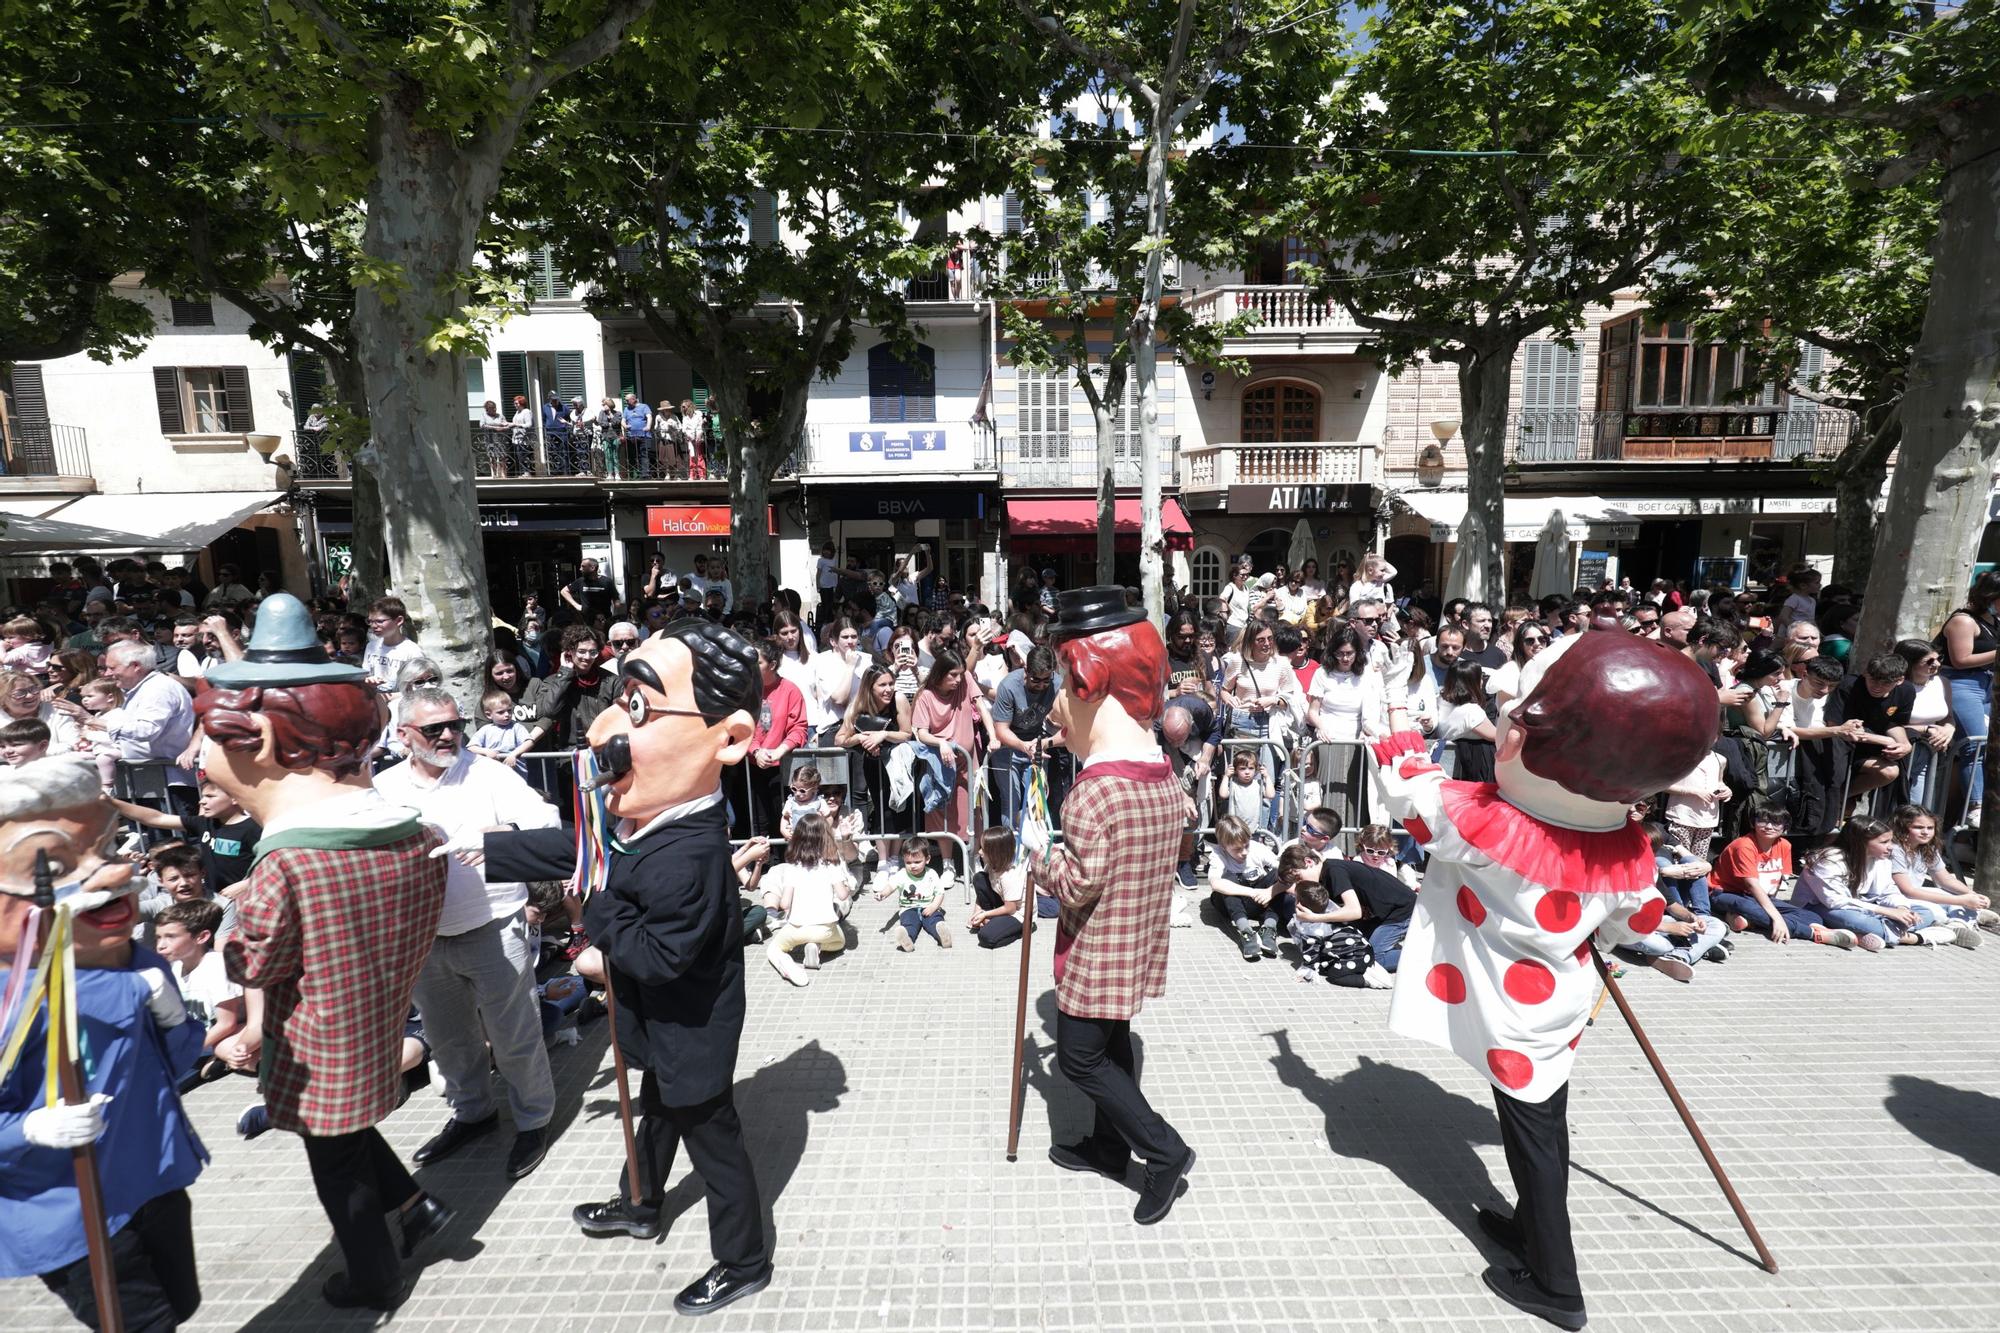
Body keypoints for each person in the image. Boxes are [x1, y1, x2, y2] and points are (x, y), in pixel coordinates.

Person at [1366, 629, 1719, 1330]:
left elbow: (1408, 787)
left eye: (1519, 707)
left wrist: (1399, 721)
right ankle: (1529, 1227)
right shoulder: (1625, 845)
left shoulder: (1478, 823)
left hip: (1512, 1018)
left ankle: (1558, 1285)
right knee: (1543, 1127)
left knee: (1536, 1142)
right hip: (1559, 1004)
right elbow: (1632, 919)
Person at [482, 619, 774, 1316]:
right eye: (616, 699)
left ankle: (744, 1258)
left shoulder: (690, 857)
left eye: (637, 707)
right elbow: (592, 851)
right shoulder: (657, 822)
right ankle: (641, 1202)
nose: (603, 729)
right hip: (658, 1021)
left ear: (727, 738)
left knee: (715, 1140)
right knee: (657, 1111)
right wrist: (483, 852)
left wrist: (594, 915)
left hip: (693, 1025)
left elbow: (656, 950)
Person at [196, 595, 453, 1313]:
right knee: (348, 1131)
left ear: (266, 743)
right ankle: (418, 1206)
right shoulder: (412, 829)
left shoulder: (288, 861)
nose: (200, 760)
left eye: (207, 741)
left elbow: (256, 962)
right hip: (379, 1011)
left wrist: (236, 915)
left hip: (315, 1036)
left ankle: (374, 1275)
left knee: (333, 1161)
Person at [0, 758, 209, 1332]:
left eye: (108, 850)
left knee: (180, 1303)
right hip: (68, 1206)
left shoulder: (133, 959)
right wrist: (30, 1129)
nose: (113, 875)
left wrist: (174, 1023)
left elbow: (172, 1066)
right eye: (55, 866)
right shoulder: (6, 997)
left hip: (150, 1175)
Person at [1022, 586, 1196, 1225]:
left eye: (1065, 690)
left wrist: (1038, 858)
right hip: (1138, 938)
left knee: (1079, 1057)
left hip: (1097, 950)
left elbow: (1075, 883)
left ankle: (1163, 1149)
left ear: (1092, 683)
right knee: (1115, 1044)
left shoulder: (1093, 794)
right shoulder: (1161, 774)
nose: (1057, 709)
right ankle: (1106, 1143)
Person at [376, 688, 564, 1181]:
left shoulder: (488, 774)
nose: (447, 736)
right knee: (448, 1038)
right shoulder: (383, 786)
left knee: (514, 1035)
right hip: (422, 936)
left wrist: (505, 830)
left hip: (495, 926)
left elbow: (547, 819)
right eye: (433, 728)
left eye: (454, 725)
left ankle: (533, 1121)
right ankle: (473, 1113)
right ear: (402, 735)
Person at [153, 898, 247, 1080]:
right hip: (199, 1044)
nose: (161, 945)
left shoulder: (216, 966)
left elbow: (227, 1024)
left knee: (229, 1047)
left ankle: (225, 1059)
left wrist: (186, 1052)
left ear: (201, 937)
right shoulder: (174, 969)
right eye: (158, 937)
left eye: (170, 937)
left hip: (229, 1035)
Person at [760, 812, 853, 984]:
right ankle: (817, 946)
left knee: (774, 949)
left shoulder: (793, 867)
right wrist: (846, 885)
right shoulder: (831, 864)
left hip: (796, 928)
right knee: (839, 943)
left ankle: (788, 966)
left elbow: (784, 903)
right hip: (825, 928)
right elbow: (842, 895)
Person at [1935, 570, 1998, 821]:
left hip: (1987, 686)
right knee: (1975, 744)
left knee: (1989, 746)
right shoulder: (1963, 621)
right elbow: (1961, 660)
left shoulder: (1994, 621)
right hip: (1962, 685)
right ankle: (1976, 805)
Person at [912, 648, 990, 851]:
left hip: (967, 761)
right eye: (952, 675)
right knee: (941, 810)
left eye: (959, 674)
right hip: (940, 763)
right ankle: (947, 862)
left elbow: (981, 706)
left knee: (974, 808)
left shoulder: (964, 680)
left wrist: (994, 735)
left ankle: (975, 856)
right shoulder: (925, 696)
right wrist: (942, 743)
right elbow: (921, 733)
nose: (957, 679)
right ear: (940, 673)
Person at [1319, 824, 1417, 978]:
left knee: (1374, 956)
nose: (1375, 856)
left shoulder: (1392, 864)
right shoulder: (1356, 863)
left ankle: (1420, 955)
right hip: (1368, 912)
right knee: (1362, 945)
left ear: (1389, 850)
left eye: (1381, 852)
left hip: (1394, 911)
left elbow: (1409, 883)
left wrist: (1415, 885)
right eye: (1370, 851)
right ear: (1362, 846)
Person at [1887, 803, 1998, 933]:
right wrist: (1960, 900)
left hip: (1916, 892)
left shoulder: (1928, 848)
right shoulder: (1895, 850)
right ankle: (1957, 925)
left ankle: (1961, 922)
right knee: (1938, 912)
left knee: (1955, 897)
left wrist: (1972, 895)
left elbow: (1945, 879)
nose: (1925, 832)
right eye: (1918, 827)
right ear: (1902, 828)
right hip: (1896, 897)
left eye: (1930, 828)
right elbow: (1908, 891)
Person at [1207, 812, 1283, 961]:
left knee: (1277, 874)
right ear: (1223, 846)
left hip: (1260, 902)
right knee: (1226, 879)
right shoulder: (1218, 854)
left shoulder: (1258, 849)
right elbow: (1215, 883)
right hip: (1233, 905)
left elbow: (1284, 872)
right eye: (1237, 849)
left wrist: (1269, 891)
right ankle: (1246, 932)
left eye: (1246, 845)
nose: (1244, 852)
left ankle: (1269, 928)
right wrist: (1253, 892)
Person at [968, 826, 1052, 948]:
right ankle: (991, 920)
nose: (980, 852)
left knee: (985, 937)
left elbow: (1011, 908)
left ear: (994, 854)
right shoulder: (992, 864)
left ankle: (1023, 930)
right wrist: (977, 912)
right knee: (979, 878)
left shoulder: (1010, 875)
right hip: (1004, 901)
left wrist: (986, 915)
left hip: (1018, 914)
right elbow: (982, 889)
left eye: (983, 849)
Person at [874, 835, 950, 949]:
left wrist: (933, 907)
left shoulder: (932, 874)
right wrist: (882, 894)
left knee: (934, 920)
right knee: (909, 923)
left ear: (927, 859)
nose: (913, 866)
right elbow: (891, 886)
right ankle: (907, 938)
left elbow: (940, 893)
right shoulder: (902, 874)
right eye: (908, 862)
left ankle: (942, 934)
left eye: (917, 862)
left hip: (929, 907)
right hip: (908, 908)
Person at [362, 597, 426, 694]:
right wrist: (369, 682)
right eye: (370, 621)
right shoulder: (371, 646)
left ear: (399, 621)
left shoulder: (412, 651)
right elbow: (365, 675)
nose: (374, 626)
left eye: (379, 621)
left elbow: (419, 688)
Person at [469, 688, 536, 765]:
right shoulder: (485, 730)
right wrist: (486, 751)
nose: (507, 714)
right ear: (489, 715)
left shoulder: (516, 727)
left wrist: (514, 754)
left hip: (515, 772)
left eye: (509, 710)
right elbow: (471, 747)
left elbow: (529, 742)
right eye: (501, 712)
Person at [561, 557, 618, 625]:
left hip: (604, 621)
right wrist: (576, 605)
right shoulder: (580, 581)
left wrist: (614, 618)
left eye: (583, 567)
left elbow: (616, 601)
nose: (580, 569)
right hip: (587, 621)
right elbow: (564, 591)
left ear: (592, 568)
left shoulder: (607, 581)